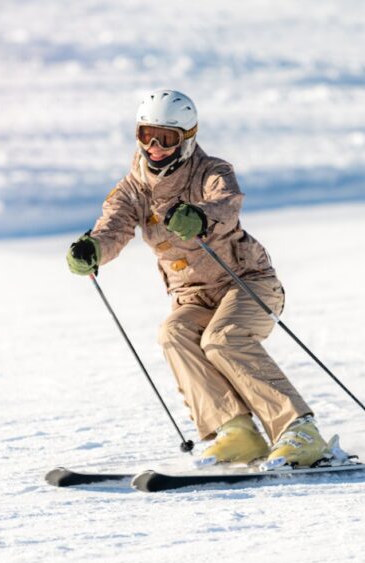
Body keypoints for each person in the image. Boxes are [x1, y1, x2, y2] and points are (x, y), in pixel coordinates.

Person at [66, 89, 330, 468]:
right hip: (192, 297)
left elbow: (227, 204)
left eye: (167, 138)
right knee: (173, 333)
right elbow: (113, 228)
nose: (155, 147)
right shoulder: (133, 189)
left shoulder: (213, 171)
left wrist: (202, 217)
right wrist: (93, 249)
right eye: (146, 135)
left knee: (223, 339)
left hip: (246, 283)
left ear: (187, 138)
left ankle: (300, 431)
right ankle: (235, 432)